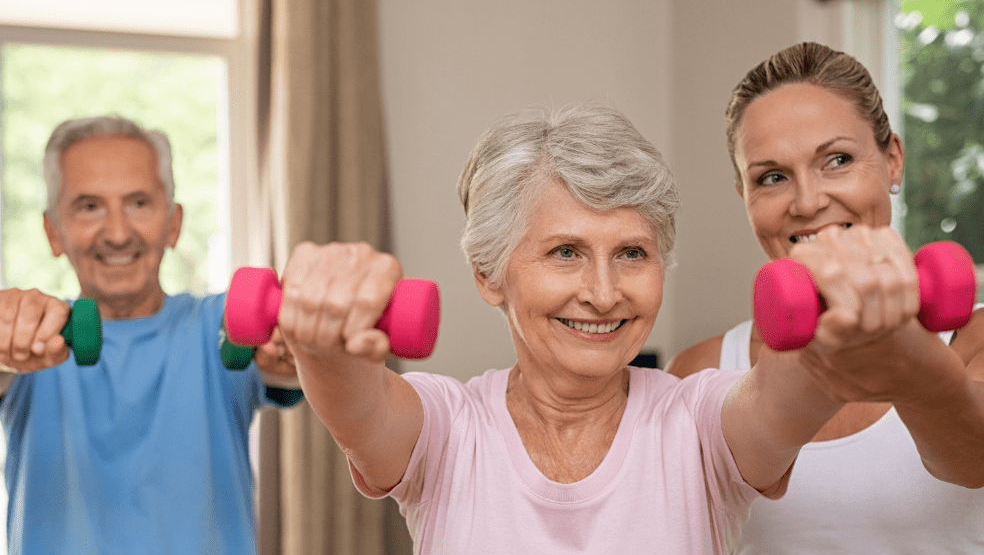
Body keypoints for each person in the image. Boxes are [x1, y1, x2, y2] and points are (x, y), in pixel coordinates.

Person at [269, 101, 962, 554]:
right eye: (565, 252)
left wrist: (844, 301)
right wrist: (319, 333)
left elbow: (799, 381)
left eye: (632, 253)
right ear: (489, 274)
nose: (603, 294)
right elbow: (357, 403)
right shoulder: (448, 430)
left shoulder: (699, 422)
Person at [667, 42, 984, 553]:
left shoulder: (973, 337)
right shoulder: (699, 369)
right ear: (743, 196)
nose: (809, 202)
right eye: (772, 177)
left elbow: (973, 460)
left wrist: (907, 359)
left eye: (837, 160)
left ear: (893, 160)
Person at [0, 116, 303, 555]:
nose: (117, 233)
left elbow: (287, 374)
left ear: (173, 224)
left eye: (138, 203)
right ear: (53, 231)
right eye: (89, 207)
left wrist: (298, 352)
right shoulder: (29, 338)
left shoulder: (221, 325)